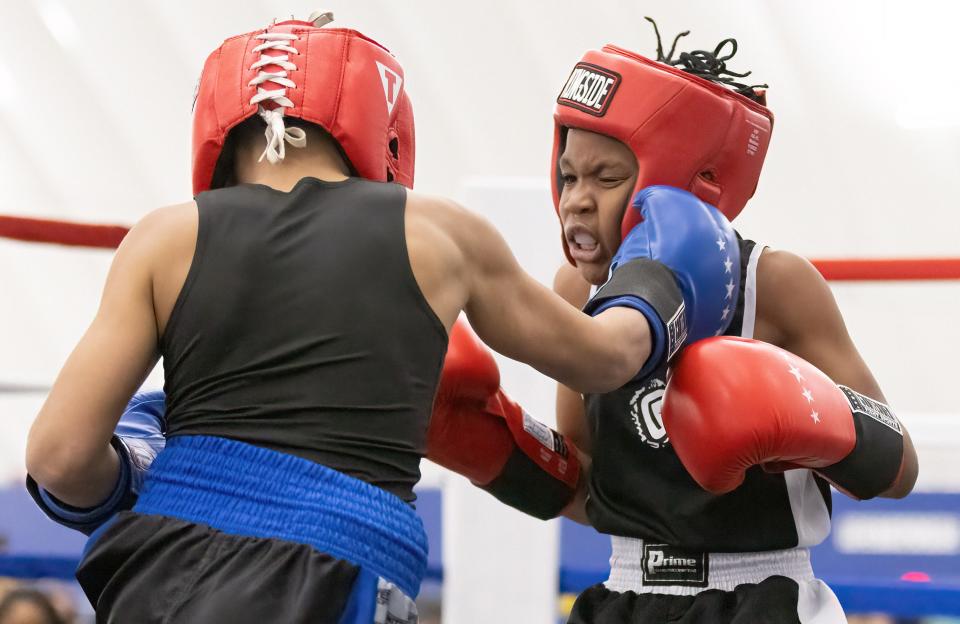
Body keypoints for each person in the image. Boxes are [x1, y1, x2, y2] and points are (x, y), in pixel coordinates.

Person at [22, 12, 723, 623]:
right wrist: (663, 272)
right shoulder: (438, 234)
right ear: (380, 122)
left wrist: (139, 463)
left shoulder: (163, 238)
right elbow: (609, 356)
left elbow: (58, 459)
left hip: (159, 565)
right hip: (332, 565)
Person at [427, 20, 919, 623]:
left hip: (763, 596)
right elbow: (588, 485)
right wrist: (489, 448)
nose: (577, 199)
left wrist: (809, 419)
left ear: (693, 181)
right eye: (569, 176)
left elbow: (901, 470)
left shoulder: (775, 283)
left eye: (607, 177)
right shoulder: (577, 290)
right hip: (624, 594)